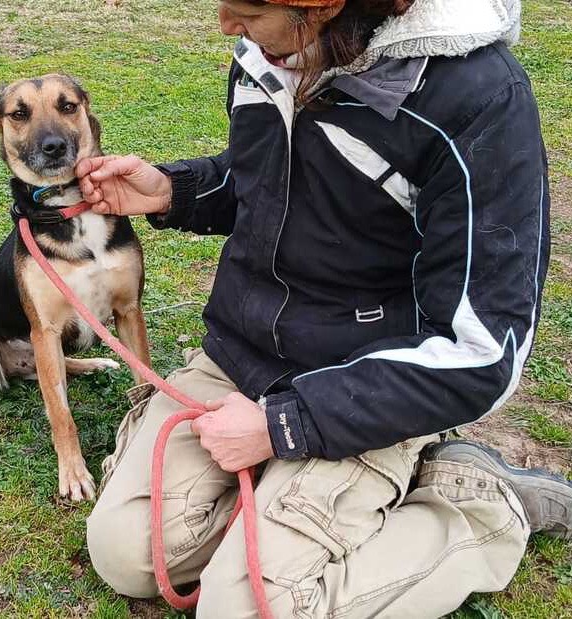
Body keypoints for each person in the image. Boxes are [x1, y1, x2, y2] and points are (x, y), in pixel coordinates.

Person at [78, 0, 572, 616]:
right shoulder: (273, 52)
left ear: (325, 7)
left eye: (247, 10)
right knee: (126, 553)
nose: (227, 25)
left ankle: (481, 509)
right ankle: (281, 505)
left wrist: (284, 427)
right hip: (244, 358)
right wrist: (175, 191)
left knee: (246, 608)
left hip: (365, 377)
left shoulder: (477, 98)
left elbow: (481, 351)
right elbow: (273, 184)